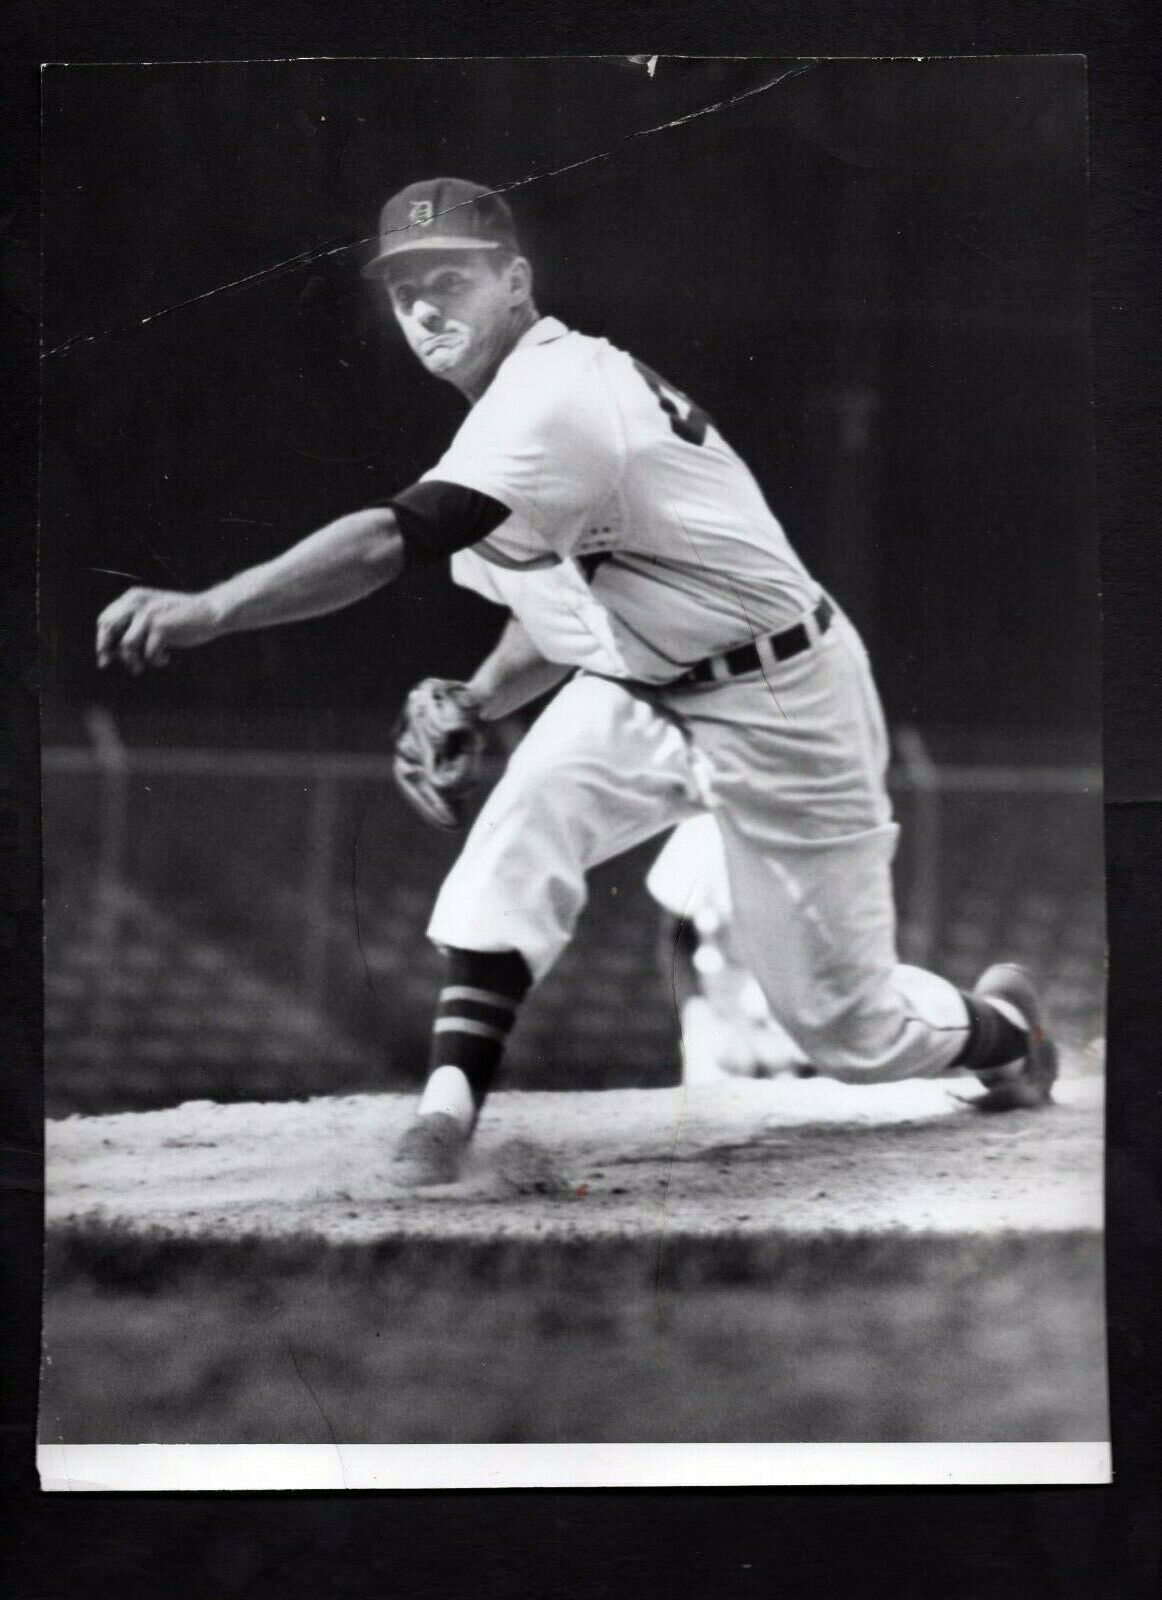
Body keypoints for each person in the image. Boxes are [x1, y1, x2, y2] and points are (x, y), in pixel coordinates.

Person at [95, 177, 1057, 1187]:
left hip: (783, 697)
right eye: (404, 287)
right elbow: (561, 617)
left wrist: (215, 608)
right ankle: (445, 1112)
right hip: (642, 682)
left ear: (515, 281)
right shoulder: (518, 411)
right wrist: (473, 698)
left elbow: (391, 539)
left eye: (451, 277)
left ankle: (1008, 1035)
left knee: (844, 1026)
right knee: (523, 820)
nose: (425, 305)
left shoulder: (552, 395)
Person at [648, 814, 813, 1083]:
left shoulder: (822, 826)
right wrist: (694, 1013)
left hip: (799, 1017)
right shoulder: (703, 830)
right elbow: (675, 939)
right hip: (723, 1012)